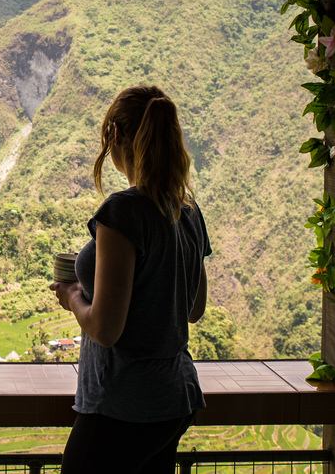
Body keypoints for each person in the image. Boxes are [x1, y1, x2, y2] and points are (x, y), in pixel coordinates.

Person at [51, 85, 211, 474]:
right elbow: (195, 308)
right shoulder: (186, 209)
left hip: (122, 403)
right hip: (174, 399)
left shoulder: (122, 213)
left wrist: (72, 294)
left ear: (116, 138)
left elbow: (106, 329)